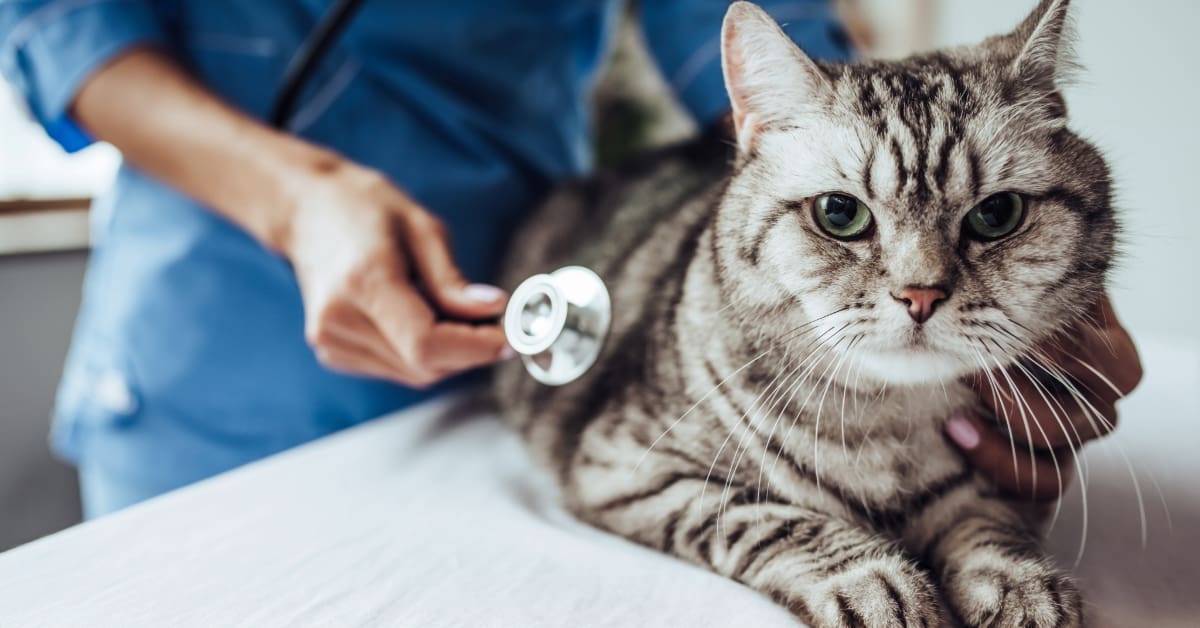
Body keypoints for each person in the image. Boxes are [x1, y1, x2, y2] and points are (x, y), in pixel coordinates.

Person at [0, 1, 1139, 519]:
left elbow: (738, 21)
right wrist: (298, 200)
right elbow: (57, 18)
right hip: (219, 329)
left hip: (539, 309)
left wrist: (873, 149)